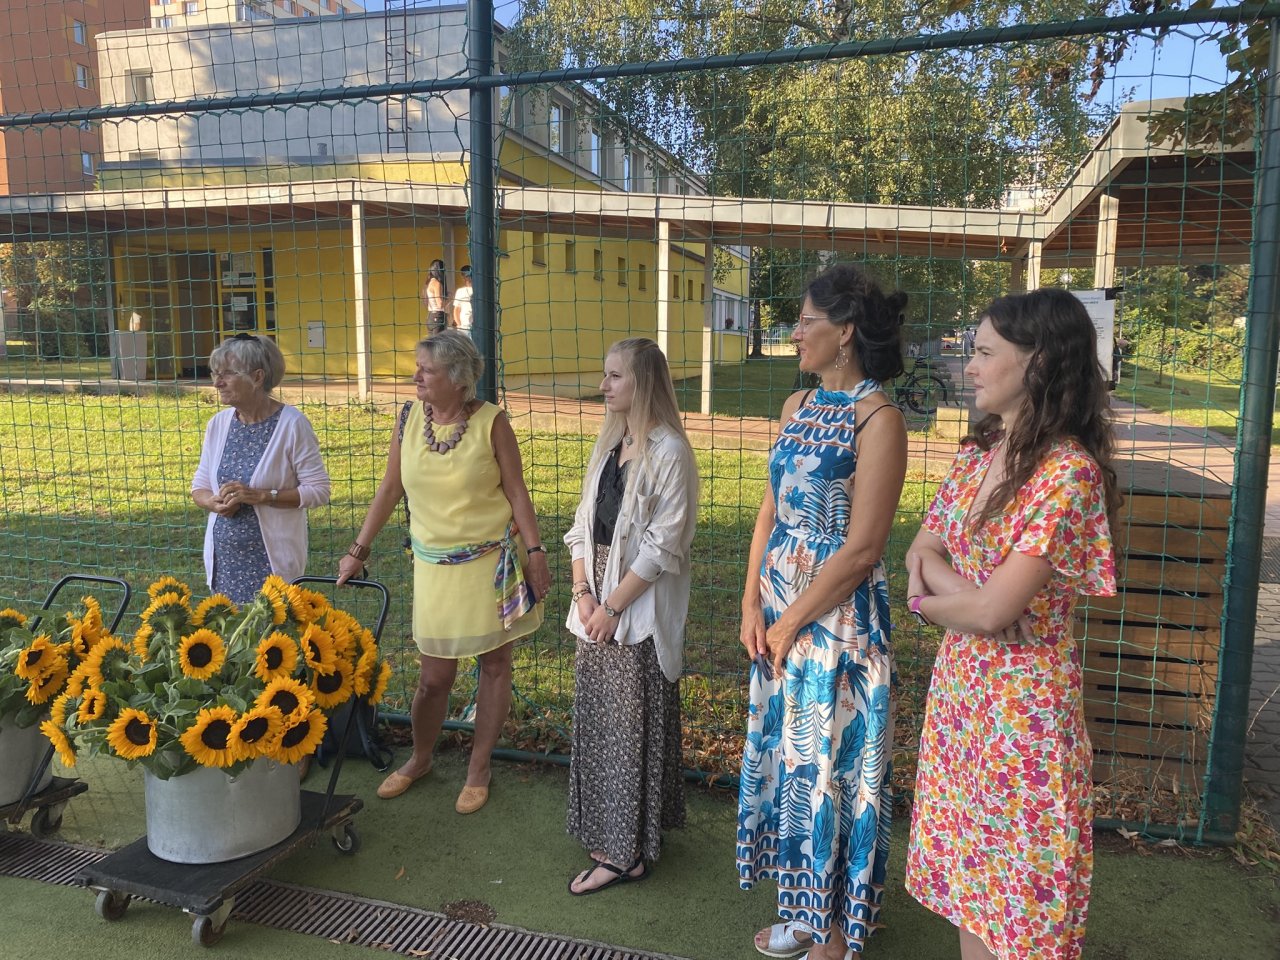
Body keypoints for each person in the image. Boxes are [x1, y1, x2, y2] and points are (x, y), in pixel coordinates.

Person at [903, 288, 1119, 960]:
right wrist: (973, 604)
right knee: (972, 886)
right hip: (963, 698)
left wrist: (932, 605)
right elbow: (920, 551)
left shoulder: (1068, 474)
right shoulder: (979, 454)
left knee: (1022, 907)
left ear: (1039, 362)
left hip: (1022, 715)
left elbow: (991, 609)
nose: (968, 366)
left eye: (984, 352)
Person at [737, 264, 908, 959]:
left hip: (838, 623)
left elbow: (863, 548)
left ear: (845, 333)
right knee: (794, 764)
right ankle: (805, 912)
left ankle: (834, 934)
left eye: (806, 321)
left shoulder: (879, 419)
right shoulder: (796, 406)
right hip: (779, 614)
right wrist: (751, 603)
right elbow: (770, 510)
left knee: (834, 767)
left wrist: (788, 622)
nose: (795, 333)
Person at [337, 330, 551, 813]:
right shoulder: (409, 418)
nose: (415, 376)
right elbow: (390, 487)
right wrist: (357, 549)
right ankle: (420, 758)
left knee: (494, 666)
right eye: (417, 367)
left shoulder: (493, 423)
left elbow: (517, 491)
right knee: (434, 678)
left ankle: (479, 767)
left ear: (457, 379)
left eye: (426, 369)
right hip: (434, 569)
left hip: (490, 566)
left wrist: (536, 553)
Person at [563, 338, 699, 895]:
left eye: (615, 375)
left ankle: (625, 854)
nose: (604, 385)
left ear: (642, 383)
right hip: (595, 605)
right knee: (602, 725)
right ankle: (616, 835)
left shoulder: (670, 453)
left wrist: (613, 607)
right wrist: (583, 595)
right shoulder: (611, 446)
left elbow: (662, 547)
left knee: (629, 729)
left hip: (633, 612)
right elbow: (580, 527)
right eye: (605, 374)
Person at [192, 333, 330, 604]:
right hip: (225, 567)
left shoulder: (292, 424)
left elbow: (319, 491)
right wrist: (213, 503)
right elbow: (200, 486)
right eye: (215, 374)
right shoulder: (218, 424)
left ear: (257, 377)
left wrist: (263, 496)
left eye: (227, 374)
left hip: (272, 568)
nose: (217, 383)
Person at [421, 259, 449, 335]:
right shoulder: (437, 283)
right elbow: (440, 304)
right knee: (439, 341)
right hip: (438, 317)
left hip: (430, 316)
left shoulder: (429, 282)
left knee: (432, 341)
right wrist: (449, 299)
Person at [452, 264, 474, 339]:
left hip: (477, 326)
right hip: (464, 326)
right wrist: (459, 325)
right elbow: (456, 310)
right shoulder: (460, 291)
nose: (467, 278)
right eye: (465, 276)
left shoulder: (479, 290)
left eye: (469, 275)